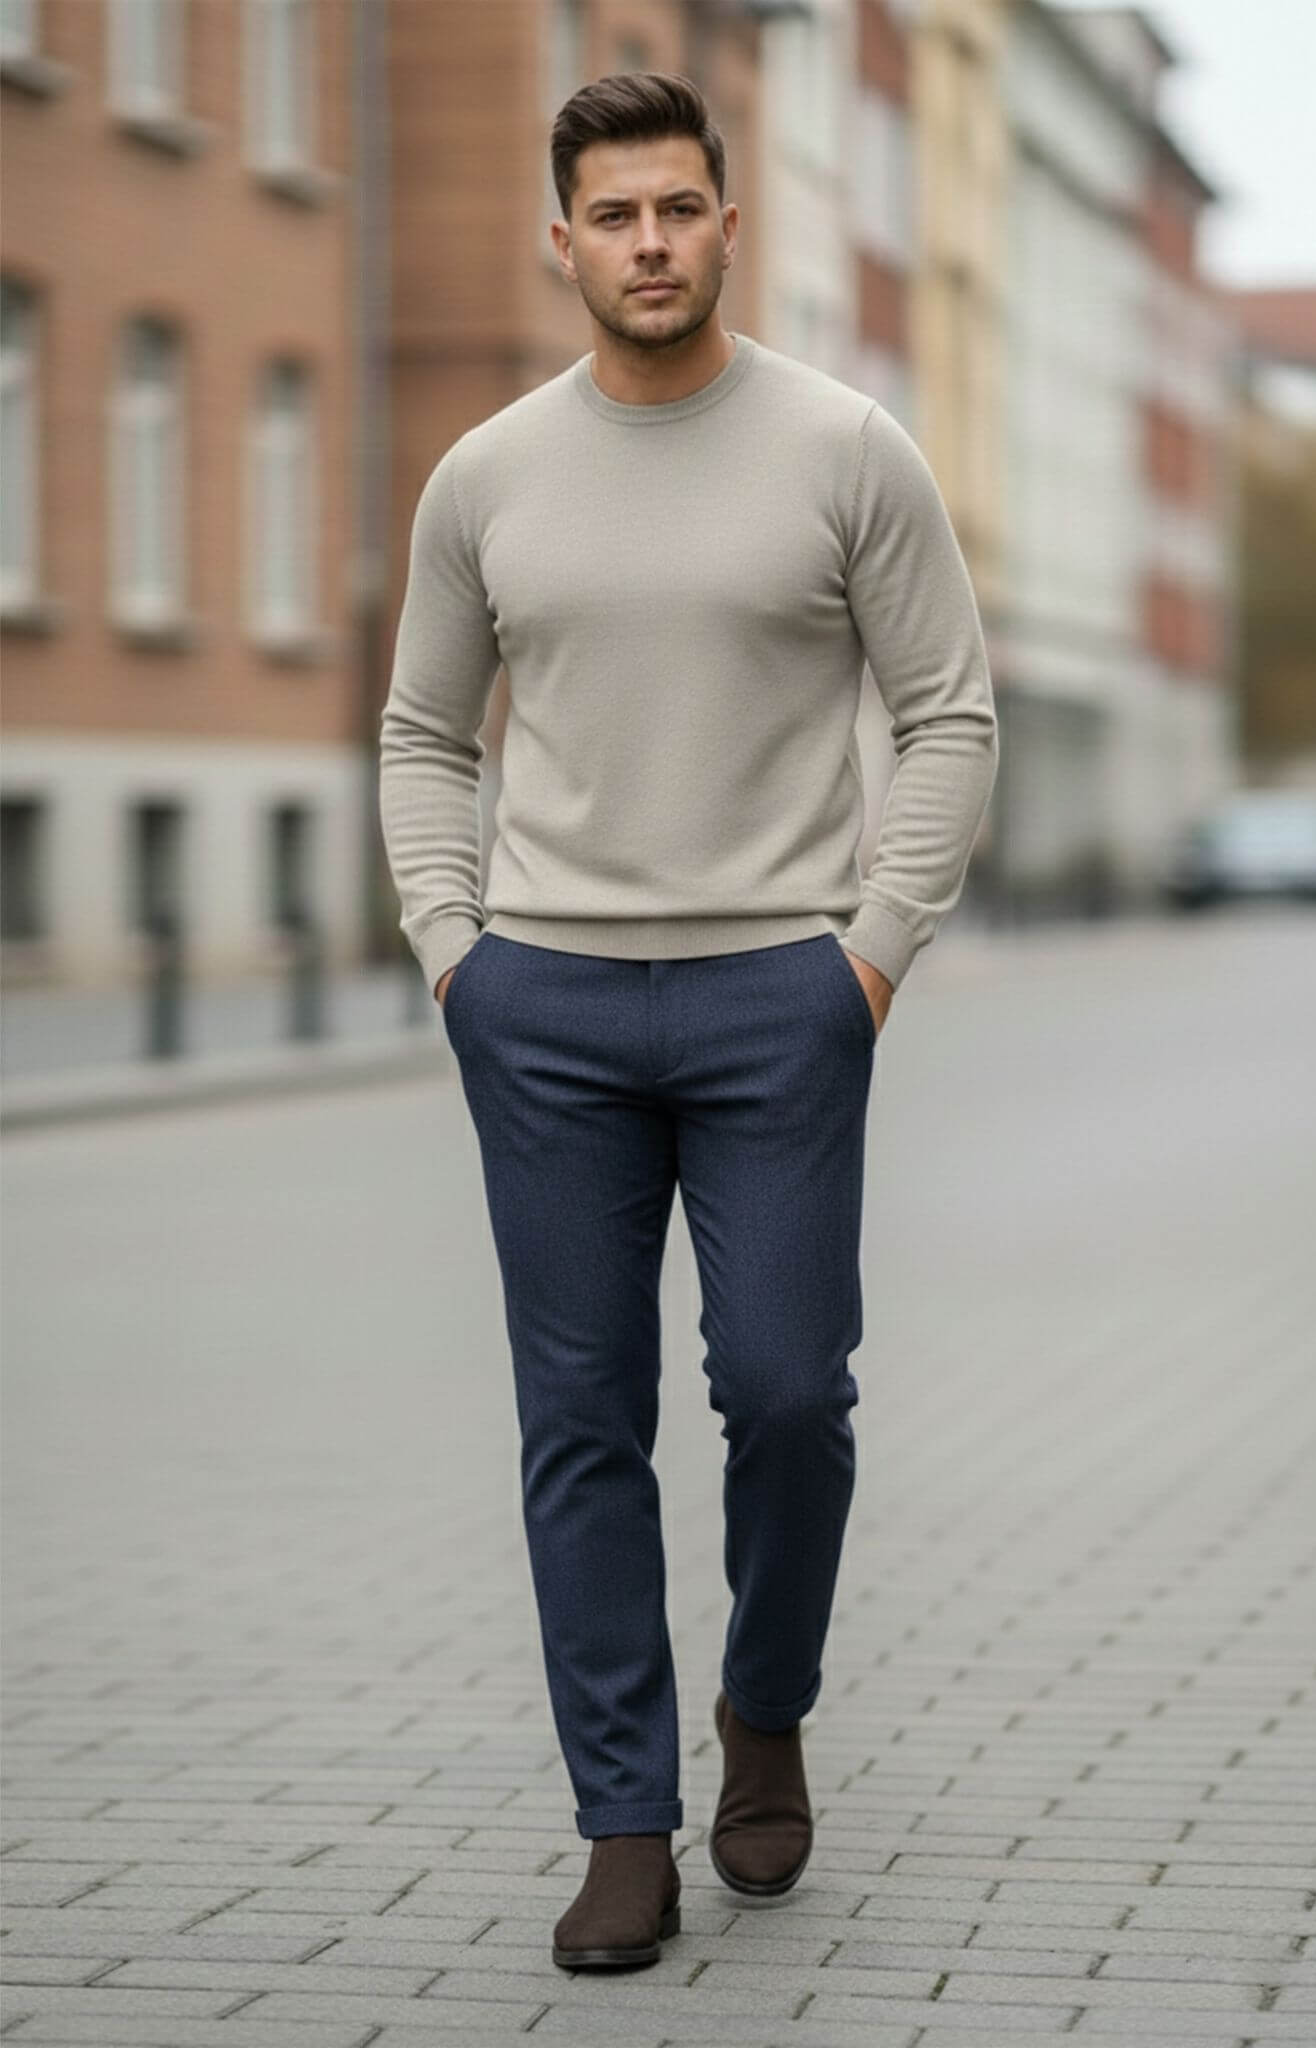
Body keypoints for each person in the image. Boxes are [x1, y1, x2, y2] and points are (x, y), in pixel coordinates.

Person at [378, 70, 999, 1974]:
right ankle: (623, 1820)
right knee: (579, 1420)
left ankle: (768, 1703)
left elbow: (950, 712)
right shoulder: (484, 473)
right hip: (544, 1007)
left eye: (678, 209)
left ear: (730, 225)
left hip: (777, 1001)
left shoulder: (843, 449)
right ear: (558, 242)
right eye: (612, 216)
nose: (647, 244)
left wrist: (868, 957)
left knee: (791, 1394)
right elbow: (419, 732)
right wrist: (454, 954)